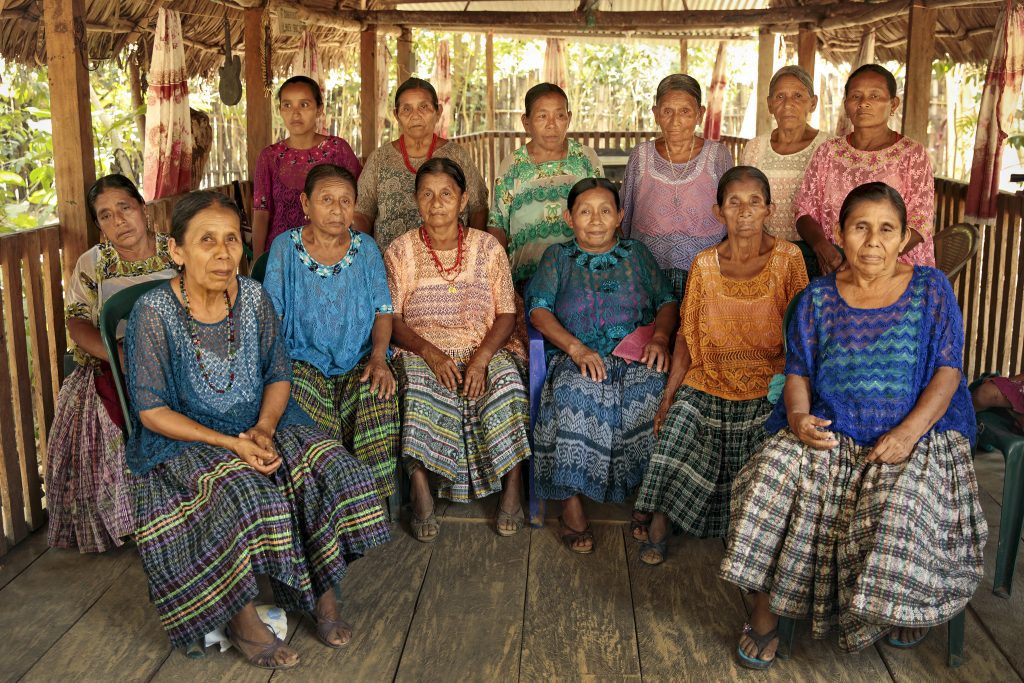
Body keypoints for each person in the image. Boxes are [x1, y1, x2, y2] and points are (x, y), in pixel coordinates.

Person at [719, 182, 986, 669]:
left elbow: (949, 372)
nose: (873, 240)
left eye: (887, 229)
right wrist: (798, 418)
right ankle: (765, 608)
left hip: (917, 432)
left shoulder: (931, 290)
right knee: (773, 474)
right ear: (840, 234)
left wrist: (908, 434)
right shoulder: (817, 298)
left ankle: (902, 603)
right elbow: (797, 373)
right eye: (860, 227)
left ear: (905, 237)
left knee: (904, 505)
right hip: (833, 427)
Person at [125, 192, 390, 669]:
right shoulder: (154, 312)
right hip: (185, 439)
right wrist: (232, 444)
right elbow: (150, 411)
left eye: (232, 239)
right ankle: (242, 620)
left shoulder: (252, 296)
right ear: (176, 251)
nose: (224, 253)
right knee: (250, 496)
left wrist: (265, 429)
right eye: (207, 240)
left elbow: (278, 373)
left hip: (262, 421)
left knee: (331, 467)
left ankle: (319, 592)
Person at [632, 167, 808, 565]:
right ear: (718, 212)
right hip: (709, 376)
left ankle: (745, 537)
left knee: (763, 448)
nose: (744, 211)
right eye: (734, 202)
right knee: (677, 427)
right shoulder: (704, 264)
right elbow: (686, 335)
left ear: (769, 209)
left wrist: (797, 394)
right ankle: (659, 522)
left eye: (754, 202)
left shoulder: (788, 258)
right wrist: (670, 395)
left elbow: (803, 333)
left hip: (768, 380)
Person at [527, 178, 678, 554]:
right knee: (572, 393)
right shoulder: (557, 258)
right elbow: (538, 309)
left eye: (605, 211)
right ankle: (570, 502)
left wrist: (660, 338)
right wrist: (576, 349)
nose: (595, 220)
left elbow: (666, 300)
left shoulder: (637, 254)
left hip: (636, 352)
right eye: (585, 211)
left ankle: (647, 497)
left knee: (654, 392)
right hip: (579, 354)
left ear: (620, 216)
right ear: (568, 218)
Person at [384, 158, 531, 542]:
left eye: (446, 194)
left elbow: (506, 312)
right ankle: (420, 493)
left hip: (484, 345)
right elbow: (393, 318)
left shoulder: (487, 248)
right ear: (416, 201)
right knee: (416, 389)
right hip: (422, 350)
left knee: (508, 385)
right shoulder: (400, 251)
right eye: (427, 195)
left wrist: (481, 358)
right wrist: (432, 354)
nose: (437, 203)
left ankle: (512, 489)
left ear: (463, 199)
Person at [45, 174, 177, 553]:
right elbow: (77, 323)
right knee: (104, 413)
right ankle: (130, 520)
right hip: (112, 364)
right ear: (99, 225)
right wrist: (119, 356)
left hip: (179, 358)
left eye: (125, 208)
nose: (118, 221)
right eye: (105, 216)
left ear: (143, 209)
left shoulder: (177, 251)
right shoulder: (93, 264)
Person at [263, 164, 399, 501]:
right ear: (306, 204)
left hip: (359, 357)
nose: (338, 210)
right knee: (308, 413)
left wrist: (379, 358)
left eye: (346, 201)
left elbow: (384, 311)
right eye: (327, 200)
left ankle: (372, 501)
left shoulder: (366, 248)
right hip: (301, 357)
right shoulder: (284, 247)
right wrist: (274, 367)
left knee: (378, 395)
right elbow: (270, 315)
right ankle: (331, 501)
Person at [795, 64, 936, 275]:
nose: (864, 104)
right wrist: (821, 246)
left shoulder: (912, 154)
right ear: (846, 104)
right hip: (835, 265)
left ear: (894, 104)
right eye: (855, 97)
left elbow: (920, 221)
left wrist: (871, 257)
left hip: (895, 269)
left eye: (875, 96)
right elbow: (803, 210)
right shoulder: (829, 152)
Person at [622, 73, 735, 299]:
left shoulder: (718, 155)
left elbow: (731, 210)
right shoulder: (640, 155)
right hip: (648, 271)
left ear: (699, 114)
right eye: (667, 111)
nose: (675, 121)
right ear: (656, 114)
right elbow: (625, 215)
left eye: (685, 111)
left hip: (706, 271)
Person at [355, 78, 488, 253]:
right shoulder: (379, 159)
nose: (415, 115)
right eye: (406, 109)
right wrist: (367, 258)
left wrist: (471, 255)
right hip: (390, 265)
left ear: (438, 111)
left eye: (424, 107)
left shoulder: (456, 155)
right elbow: (363, 214)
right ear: (396, 115)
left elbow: (478, 208)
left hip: (451, 264)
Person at [488, 82, 603, 285]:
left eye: (559, 116)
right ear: (526, 122)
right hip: (525, 280)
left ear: (569, 118)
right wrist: (501, 283)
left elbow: (604, 211)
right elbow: (498, 226)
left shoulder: (585, 159)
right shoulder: (513, 165)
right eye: (542, 116)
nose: (552, 125)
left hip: (580, 278)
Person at [252, 75, 362, 257]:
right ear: (279, 110)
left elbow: (360, 204)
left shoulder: (338, 150)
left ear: (319, 110)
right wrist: (258, 261)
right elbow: (261, 213)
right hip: (282, 255)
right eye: (287, 105)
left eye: (304, 105)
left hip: (333, 254)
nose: (295, 113)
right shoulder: (269, 157)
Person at [740, 65, 828, 276]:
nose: (788, 104)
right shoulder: (754, 148)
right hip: (764, 252)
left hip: (816, 254)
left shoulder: (829, 147)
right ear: (770, 104)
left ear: (813, 103)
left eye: (798, 96)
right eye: (780, 96)